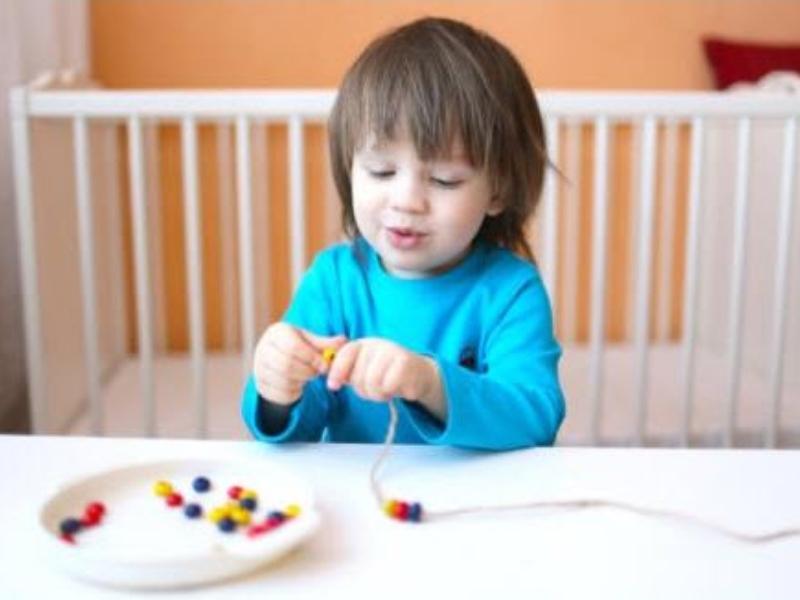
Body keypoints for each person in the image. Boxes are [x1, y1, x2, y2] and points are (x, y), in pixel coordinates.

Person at [241, 16, 565, 450]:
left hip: (477, 506)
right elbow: (294, 430)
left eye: (445, 179)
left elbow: (535, 417)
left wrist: (430, 384)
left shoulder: (510, 292)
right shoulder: (335, 282)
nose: (406, 201)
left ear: (499, 190)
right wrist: (277, 387)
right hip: (363, 502)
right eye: (381, 170)